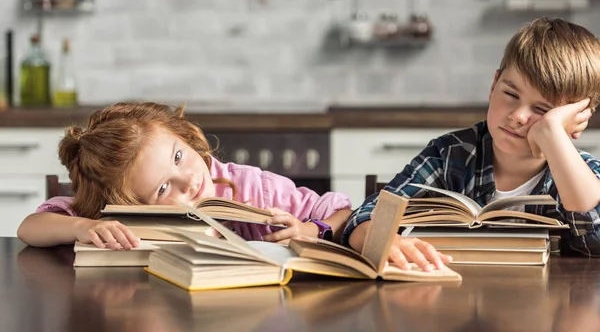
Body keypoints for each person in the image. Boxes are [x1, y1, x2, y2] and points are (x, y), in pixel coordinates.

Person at [17, 101, 450, 270]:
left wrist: (311, 230)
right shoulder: (117, 214)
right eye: (163, 191)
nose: (189, 180)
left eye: (179, 157)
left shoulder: (250, 188)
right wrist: (80, 228)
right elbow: (31, 228)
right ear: (132, 205)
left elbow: (342, 211)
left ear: (185, 137)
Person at [342, 17, 600, 266]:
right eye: (510, 93)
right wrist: (379, 239)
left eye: (543, 111)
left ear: (576, 120)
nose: (518, 116)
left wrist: (552, 133)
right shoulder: (450, 154)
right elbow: (368, 214)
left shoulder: (585, 173)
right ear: (494, 84)